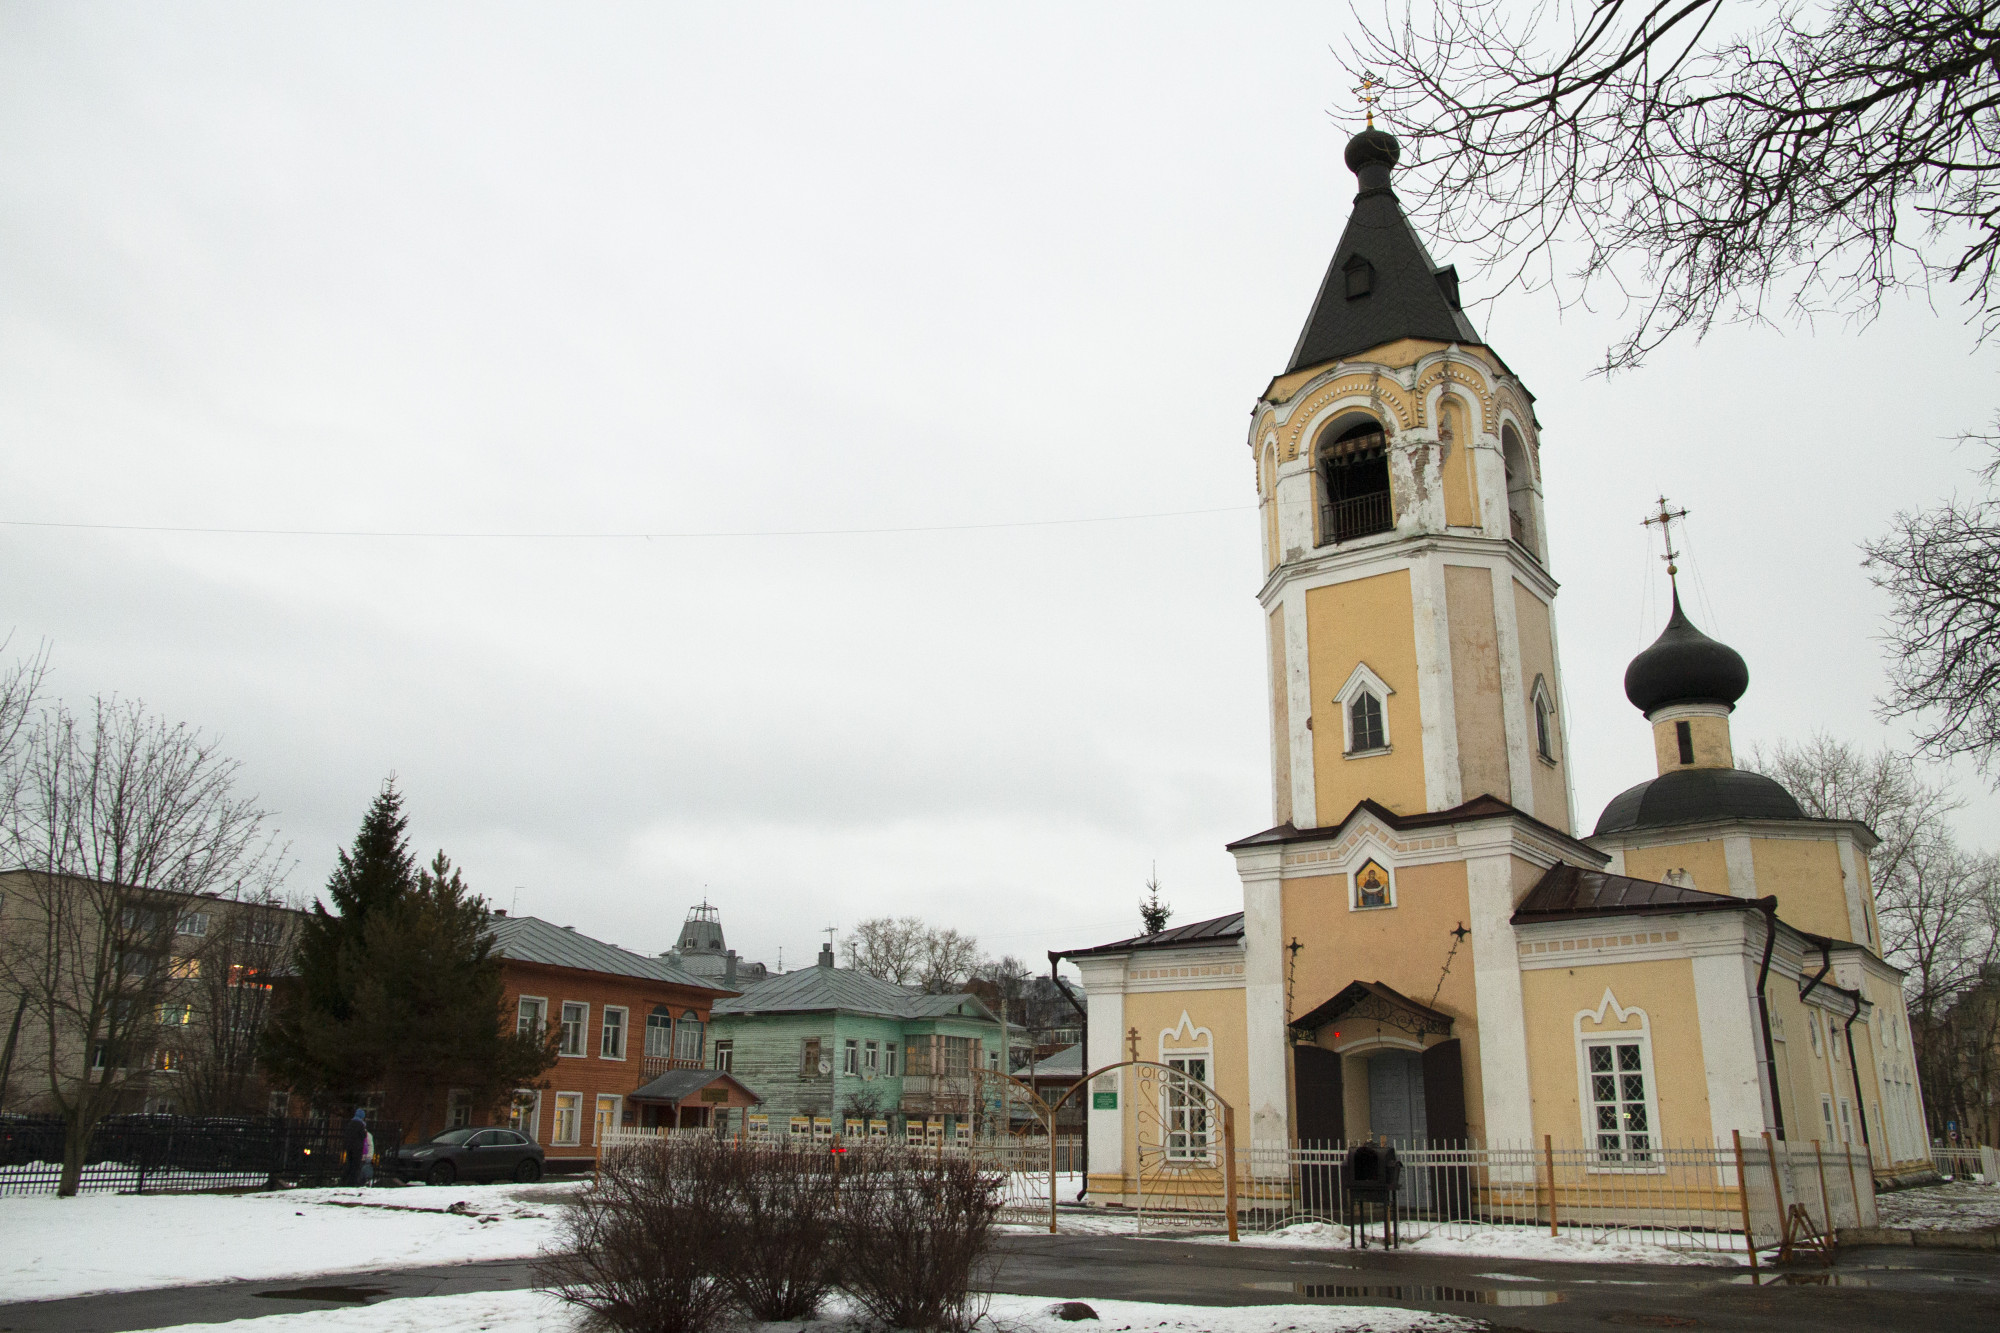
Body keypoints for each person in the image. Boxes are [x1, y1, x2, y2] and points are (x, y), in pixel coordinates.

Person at [342, 1107, 368, 1187]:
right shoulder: (360, 1125)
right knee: (355, 1165)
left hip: (349, 1147)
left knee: (349, 1164)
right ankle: (352, 1182)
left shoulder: (350, 1123)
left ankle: (343, 1180)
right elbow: (363, 1135)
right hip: (357, 1148)